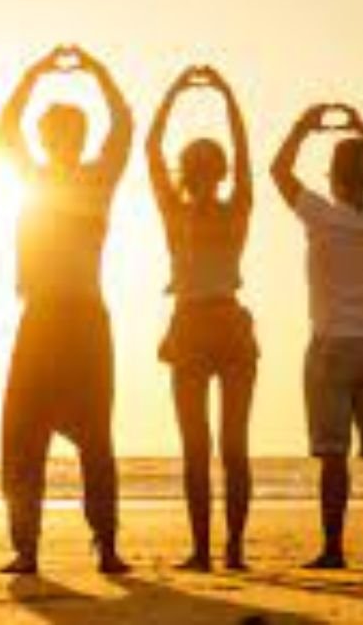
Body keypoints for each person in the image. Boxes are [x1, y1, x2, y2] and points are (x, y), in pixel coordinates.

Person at [0, 44, 132, 575]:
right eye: (55, 134)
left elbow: (121, 125)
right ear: (48, 139)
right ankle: (26, 548)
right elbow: (7, 131)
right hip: (44, 317)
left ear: (75, 139)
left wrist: (90, 71)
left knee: (95, 436)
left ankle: (105, 542)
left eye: (68, 134)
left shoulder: (94, 179)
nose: (61, 142)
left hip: (80, 317)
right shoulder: (33, 178)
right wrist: (37, 71)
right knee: (23, 434)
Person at [271, 102, 363, 570]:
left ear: (333, 178)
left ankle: (333, 548)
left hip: (330, 344)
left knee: (333, 456)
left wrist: (303, 125)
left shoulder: (322, 216)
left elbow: (278, 170)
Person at [146, 65, 258, 572]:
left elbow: (151, 148)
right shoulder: (215, 209)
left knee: (212, 446)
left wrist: (180, 93)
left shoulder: (219, 210)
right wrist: (224, 94)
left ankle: (217, 549)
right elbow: (154, 153)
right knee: (221, 445)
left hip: (206, 326)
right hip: (208, 326)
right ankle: (220, 549)